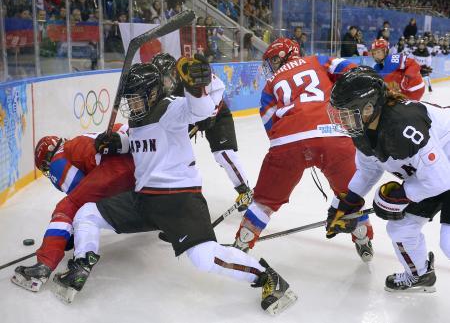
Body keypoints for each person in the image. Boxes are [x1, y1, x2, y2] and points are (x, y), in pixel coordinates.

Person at [53, 59, 298, 315]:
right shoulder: (138, 120)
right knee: (87, 213)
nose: (132, 105)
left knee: (204, 258)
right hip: (143, 200)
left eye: (136, 99)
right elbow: (139, 143)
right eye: (129, 100)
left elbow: (200, 111)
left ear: (152, 93)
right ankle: (81, 265)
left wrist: (196, 86)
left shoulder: (169, 109)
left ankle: (267, 277)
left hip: (178, 200)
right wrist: (117, 142)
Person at [232, 37, 374, 262]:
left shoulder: (271, 84)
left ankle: (240, 245)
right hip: (333, 134)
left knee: (264, 203)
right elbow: (352, 71)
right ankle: (363, 240)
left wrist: (294, 146)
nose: (271, 67)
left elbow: (269, 123)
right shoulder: (318, 60)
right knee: (350, 196)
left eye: (271, 61)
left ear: (282, 56)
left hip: (288, 141)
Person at [327, 66, 450, 292]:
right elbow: (367, 170)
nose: (343, 120)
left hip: (443, 171)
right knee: (401, 230)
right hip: (432, 173)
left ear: (369, 106)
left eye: (347, 112)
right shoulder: (363, 131)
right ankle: (420, 275)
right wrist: (347, 202)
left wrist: (402, 196)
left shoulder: (404, 125)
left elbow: (442, 180)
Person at [11, 124, 135, 292]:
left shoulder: (57, 160)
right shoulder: (80, 139)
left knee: (65, 207)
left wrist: (67, 232)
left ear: (47, 159)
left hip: (114, 170)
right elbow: (123, 127)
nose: (49, 171)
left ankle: (44, 265)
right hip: (140, 166)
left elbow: (79, 195)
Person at [151, 53, 252, 213]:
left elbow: (218, 89)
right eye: (161, 78)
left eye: (167, 76)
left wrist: (210, 114)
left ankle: (245, 190)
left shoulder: (190, 73)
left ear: (174, 72)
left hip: (218, 116)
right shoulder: (160, 91)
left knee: (223, 154)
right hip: (191, 117)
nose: (165, 81)